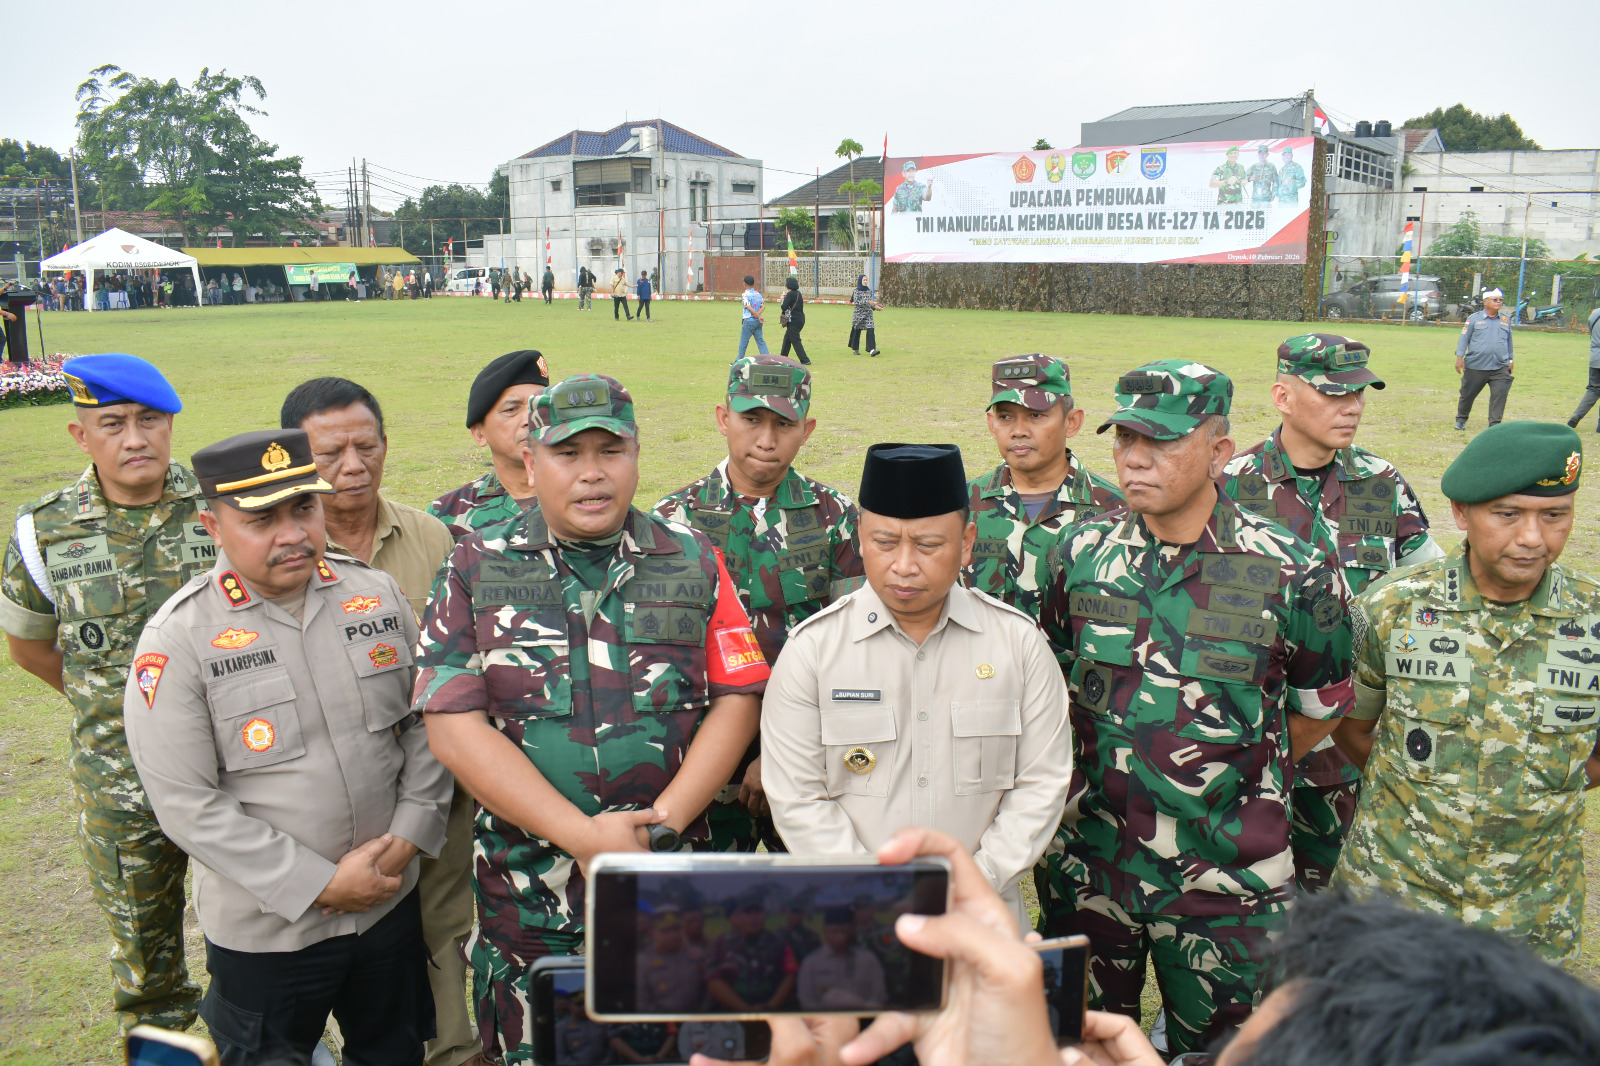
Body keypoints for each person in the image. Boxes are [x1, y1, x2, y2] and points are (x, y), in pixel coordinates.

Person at [414, 374, 770, 1064]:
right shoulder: (475, 564)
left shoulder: (693, 557)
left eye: (611, 450)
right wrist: (582, 837)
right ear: (531, 462)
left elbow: (737, 696)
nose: (592, 473)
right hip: (531, 903)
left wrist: (661, 826)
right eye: (568, 453)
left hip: (670, 892)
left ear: (636, 455)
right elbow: (453, 724)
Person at [1036, 360, 1354, 1057]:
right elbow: (1052, 680)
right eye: (1125, 439)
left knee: (1228, 1053)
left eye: (1162, 441)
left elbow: (1317, 708)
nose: (1134, 458)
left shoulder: (1294, 570)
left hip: (1227, 885)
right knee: (1076, 1048)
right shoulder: (1079, 553)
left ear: (1219, 451)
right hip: (1091, 871)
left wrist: (1230, 771)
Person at [122, 427, 451, 1066]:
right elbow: (187, 804)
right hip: (269, 931)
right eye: (262, 519)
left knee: (393, 1052)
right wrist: (320, 884)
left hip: (387, 902)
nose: (292, 533)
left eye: (304, 508)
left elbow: (427, 724)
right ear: (212, 527)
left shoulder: (374, 595)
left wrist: (411, 834)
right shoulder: (179, 639)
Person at [762, 443, 1071, 921]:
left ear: (966, 543)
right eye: (885, 542)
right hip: (852, 919)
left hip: (982, 918)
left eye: (928, 545)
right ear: (860, 538)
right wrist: (877, 895)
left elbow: (1041, 783)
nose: (904, 565)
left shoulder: (1018, 645)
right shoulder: (813, 652)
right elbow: (798, 799)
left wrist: (973, 884)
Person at [1331, 421, 1600, 963]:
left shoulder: (1592, 619)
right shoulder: (1393, 608)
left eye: (1554, 515)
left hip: (1531, 912)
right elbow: (1351, 726)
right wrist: (1422, 793)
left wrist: (1533, 798)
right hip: (1393, 895)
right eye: (1508, 514)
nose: (1532, 538)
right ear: (1461, 513)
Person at [0, 354, 209, 1033]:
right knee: (147, 968)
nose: (135, 438)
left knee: (265, 941)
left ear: (171, 424)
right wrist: (123, 713)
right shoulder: (42, 530)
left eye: (149, 419)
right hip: (119, 782)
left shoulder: (222, 506)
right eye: (113, 424)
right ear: (80, 435)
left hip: (235, 767)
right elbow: (31, 648)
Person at [279, 379, 473, 1065]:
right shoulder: (275, 549)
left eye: (367, 446)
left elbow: (458, 667)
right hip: (321, 798)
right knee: (322, 943)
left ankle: (451, 1050)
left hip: (433, 784)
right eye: (330, 453)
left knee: (444, 925)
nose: (353, 465)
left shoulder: (431, 537)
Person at [1219, 334, 1443, 893]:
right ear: (1283, 397)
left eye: (1359, 394)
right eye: (1334, 394)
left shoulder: (1381, 483)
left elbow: (1429, 591)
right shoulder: (1230, 484)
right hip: (1254, 736)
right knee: (1244, 901)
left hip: (1349, 745)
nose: (1353, 407)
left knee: (1336, 904)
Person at [654, 356, 866, 853]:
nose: (767, 440)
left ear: (807, 430)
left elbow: (855, 649)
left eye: (784, 424)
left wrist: (782, 753)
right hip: (698, 764)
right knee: (709, 898)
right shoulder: (671, 523)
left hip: (810, 762)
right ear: (723, 418)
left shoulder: (836, 519)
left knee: (818, 895)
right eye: (751, 419)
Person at [962, 354, 1122, 628]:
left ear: (1072, 422)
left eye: (1036, 415)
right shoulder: (961, 504)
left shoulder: (1115, 511)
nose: (1018, 431)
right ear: (991, 423)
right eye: (1005, 417)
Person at [429, 350, 549, 541]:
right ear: (479, 433)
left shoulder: (586, 496)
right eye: (511, 409)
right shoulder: (446, 515)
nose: (530, 419)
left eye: (539, 407)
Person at [706, 890, 796, 1012]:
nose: (754, 918)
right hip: (732, 1012)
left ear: (765, 914)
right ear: (739, 916)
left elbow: (790, 976)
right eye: (748, 912)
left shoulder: (779, 941)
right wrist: (745, 1009)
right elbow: (713, 981)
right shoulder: (721, 942)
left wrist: (771, 1006)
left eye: (758, 912)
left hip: (773, 1011)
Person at [796, 908, 886, 1011]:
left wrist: (860, 1006)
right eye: (834, 932)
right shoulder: (811, 963)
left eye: (844, 931)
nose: (840, 937)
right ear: (825, 931)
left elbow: (880, 997)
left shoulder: (868, 960)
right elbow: (806, 1002)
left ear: (852, 931)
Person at [1454, 287, 1514, 429]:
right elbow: (1464, 338)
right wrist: (1459, 357)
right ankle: (1461, 419)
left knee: (1500, 395)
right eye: (1495, 300)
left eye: (1500, 300)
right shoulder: (1473, 319)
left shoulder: (1505, 319)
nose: (1498, 302)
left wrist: (1510, 359)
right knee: (1467, 394)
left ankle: (1495, 425)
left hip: (1500, 366)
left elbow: (1509, 341)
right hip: (1476, 366)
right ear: (1485, 302)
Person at [635, 907, 707, 1014]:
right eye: (665, 931)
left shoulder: (698, 955)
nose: (673, 935)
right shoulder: (643, 961)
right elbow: (641, 1002)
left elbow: (709, 991)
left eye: (676, 929)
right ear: (652, 933)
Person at [1565, 304, 1600, 430]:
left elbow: (1591, 333)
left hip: (1595, 358)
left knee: (1594, 389)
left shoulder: (1594, 314)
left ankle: (1577, 415)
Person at [779, 275, 809, 365]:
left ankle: (805, 360)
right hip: (800, 319)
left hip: (793, 320)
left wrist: (782, 300)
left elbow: (784, 307)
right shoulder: (798, 293)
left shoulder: (790, 294)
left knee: (795, 340)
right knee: (787, 339)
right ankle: (782, 357)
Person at [848, 275, 880, 357]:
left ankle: (872, 349)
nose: (865, 281)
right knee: (857, 330)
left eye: (866, 280)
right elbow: (856, 302)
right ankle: (855, 348)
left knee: (871, 329)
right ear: (860, 281)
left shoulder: (869, 291)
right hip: (858, 314)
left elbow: (870, 303)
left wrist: (875, 307)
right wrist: (867, 301)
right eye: (864, 280)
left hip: (868, 314)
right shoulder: (856, 291)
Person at [739, 275, 769, 357]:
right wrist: (758, 315)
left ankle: (739, 360)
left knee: (744, 342)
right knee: (760, 341)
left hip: (748, 321)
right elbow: (763, 306)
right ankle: (767, 358)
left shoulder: (745, 295)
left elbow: (748, 306)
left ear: (744, 283)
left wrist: (755, 314)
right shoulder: (758, 294)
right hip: (758, 321)